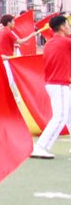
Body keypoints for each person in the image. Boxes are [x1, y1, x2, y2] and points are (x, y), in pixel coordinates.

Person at [31, 14, 69, 160]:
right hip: (59, 84)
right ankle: (40, 147)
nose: (69, 27)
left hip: (55, 84)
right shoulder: (64, 42)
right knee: (60, 117)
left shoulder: (50, 43)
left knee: (69, 116)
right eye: (67, 24)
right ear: (62, 27)